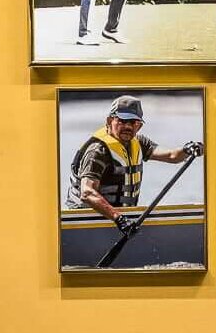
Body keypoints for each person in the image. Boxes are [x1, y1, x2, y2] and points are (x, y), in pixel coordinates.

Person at [68, 96, 204, 235]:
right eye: (122, 121)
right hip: (85, 222)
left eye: (133, 122)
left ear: (139, 125)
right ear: (110, 121)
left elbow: (172, 156)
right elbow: (87, 193)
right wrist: (118, 218)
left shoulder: (139, 142)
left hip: (121, 220)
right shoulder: (97, 151)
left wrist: (188, 149)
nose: (128, 126)